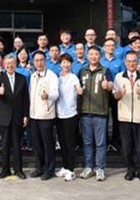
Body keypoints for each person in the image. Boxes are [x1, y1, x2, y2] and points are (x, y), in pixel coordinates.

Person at [113, 51, 140, 183]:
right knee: (127, 145)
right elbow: (115, 96)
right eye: (129, 61)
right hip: (124, 117)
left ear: (137, 62)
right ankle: (130, 169)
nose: (131, 63)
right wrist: (120, 93)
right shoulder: (118, 77)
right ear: (125, 62)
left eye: (134, 61)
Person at [78, 46, 113, 182]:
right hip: (85, 112)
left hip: (100, 112)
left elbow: (111, 85)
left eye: (96, 54)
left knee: (100, 143)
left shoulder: (105, 70)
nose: (93, 57)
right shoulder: (82, 71)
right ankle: (88, 167)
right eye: (91, 54)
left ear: (100, 56)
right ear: (87, 56)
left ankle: (100, 168)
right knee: (87, 142)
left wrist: (107, 85)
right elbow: (78, 87)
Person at [0, 55, 29, 180]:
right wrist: (0, 92)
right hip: (4, 117)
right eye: (7, 63)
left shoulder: (22, 78)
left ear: (15, 64)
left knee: (17, 145)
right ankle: (5, 169)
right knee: (5, 145)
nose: (10, 65)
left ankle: (18, 170)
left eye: (12, 63)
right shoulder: (0, 78)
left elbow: (26, 98)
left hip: (18, 117)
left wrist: (25, 115)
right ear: (4, 65)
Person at [29, 51, 59, 181]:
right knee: (37, 144)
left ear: (45, 61)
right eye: (36, 61)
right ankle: (39, 167)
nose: (39, 63)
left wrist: (48, 96)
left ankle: (49, 169)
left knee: (48, 144)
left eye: (41, 60)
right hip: (34, 115)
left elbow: (56, 94)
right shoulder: (33, 76)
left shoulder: (51, 76)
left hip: (46, 115)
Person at [55, 53, 82, 182]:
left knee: (70, 144)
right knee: (62, 143)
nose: (66, 64)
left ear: (71, 64)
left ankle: (71, 170)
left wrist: (81, 90)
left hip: (70, 114)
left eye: (68, 62)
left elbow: (79, 89)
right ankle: (65, 167)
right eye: (64, 62)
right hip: (59, 114)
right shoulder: (57, 78)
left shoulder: (74, 77)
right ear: (60, 64)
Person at [101, 38, 124, 151]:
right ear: (104, 48)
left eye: (112, 45)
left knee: (116, 117)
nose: (110, 47)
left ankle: (115, 141)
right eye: (108, 45)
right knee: (104, 117)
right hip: (103, 93)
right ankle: (104, 141)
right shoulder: (100, 61)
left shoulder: (119, 62)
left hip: (116, 92)